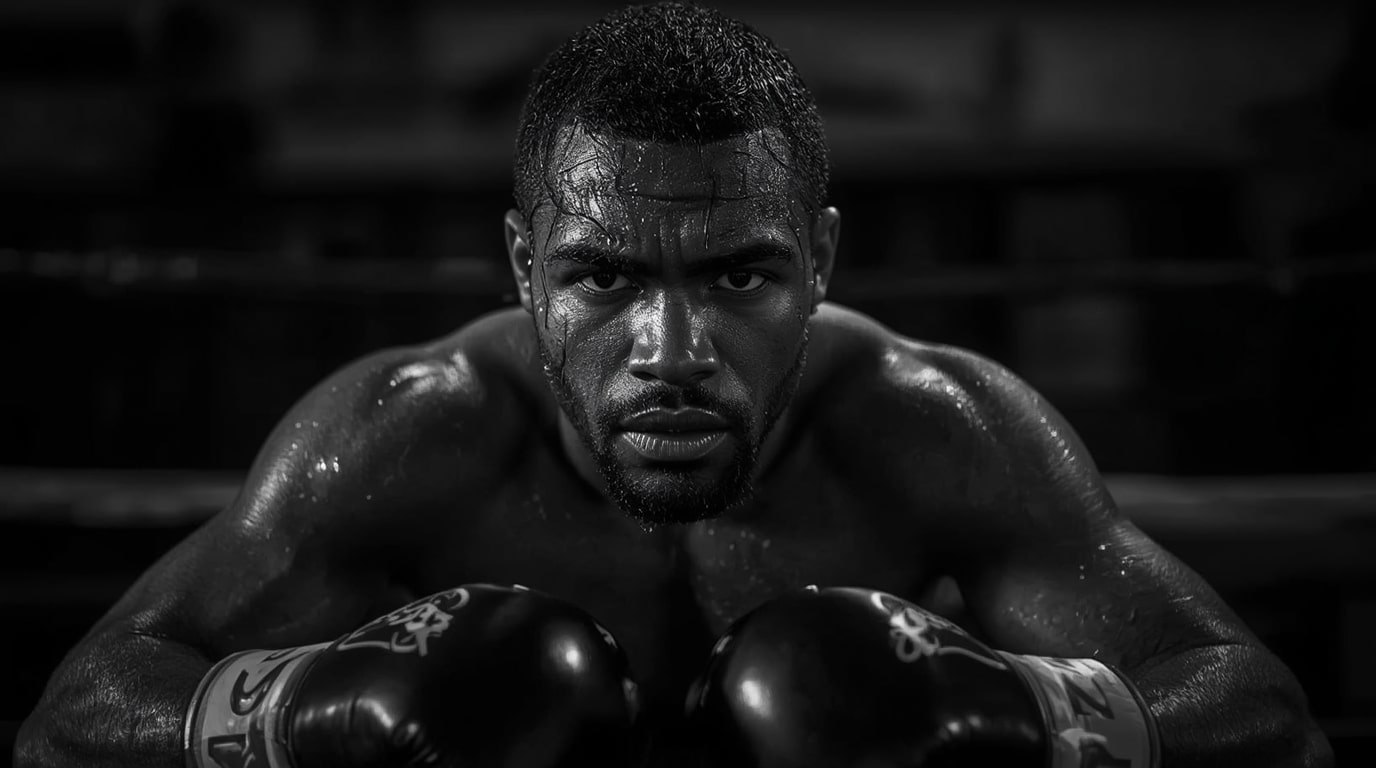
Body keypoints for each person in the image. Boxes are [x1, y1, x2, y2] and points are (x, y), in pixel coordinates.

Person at [16, 3, 1332, 767]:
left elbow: (1263, 712)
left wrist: (1014, 719)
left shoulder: (936, 428)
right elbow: (72, 721)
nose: (672, 348)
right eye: (601, 281)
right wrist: (311, 712)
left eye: (740, 280)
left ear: (818, 261)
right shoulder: (409, 431)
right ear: (527, 267)